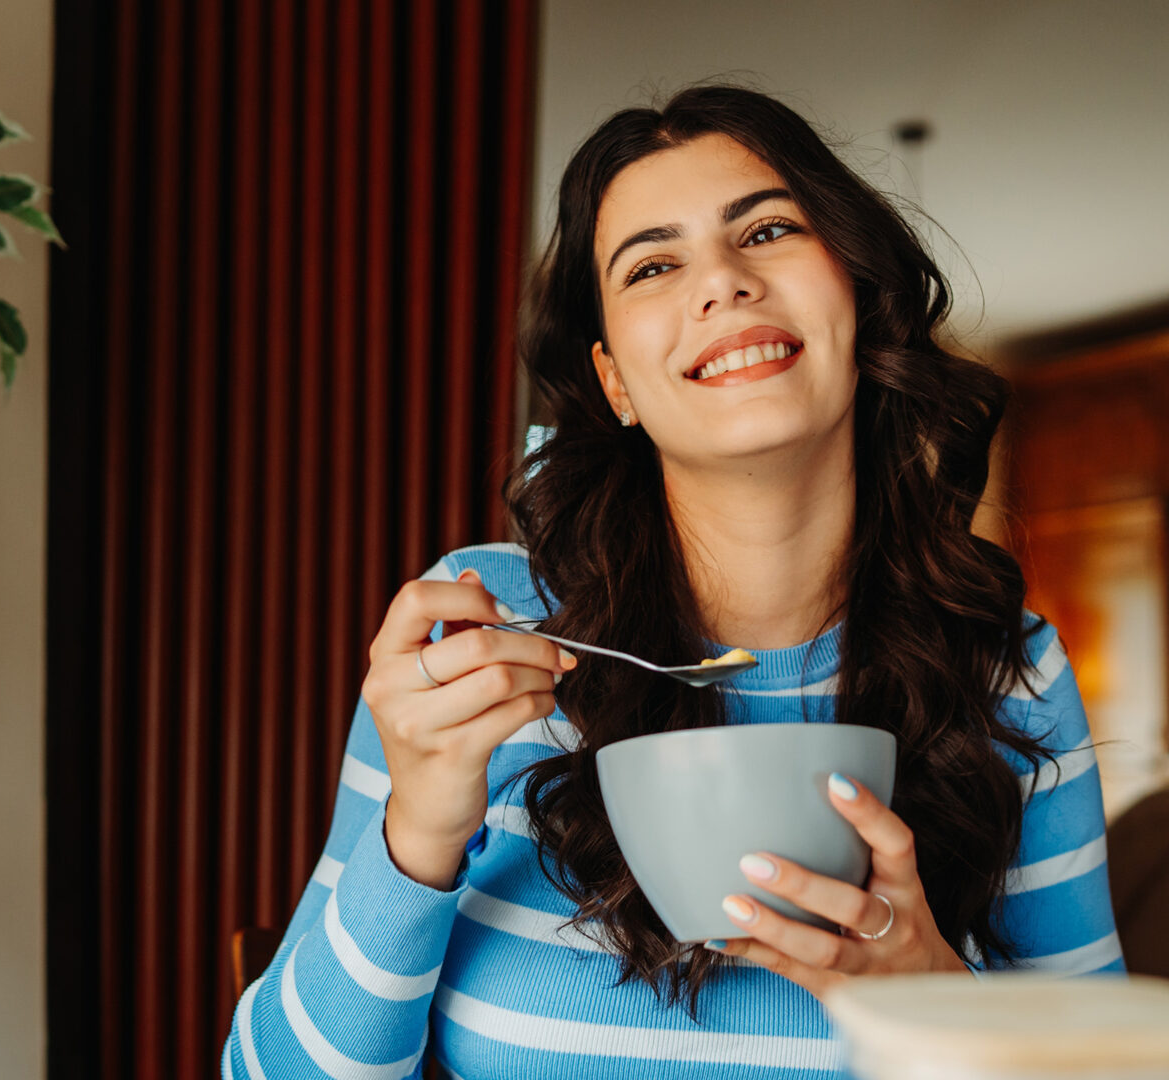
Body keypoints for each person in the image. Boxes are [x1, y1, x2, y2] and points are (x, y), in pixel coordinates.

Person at [223, 84, 1121, 1080]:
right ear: (615, 382)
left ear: (860, 304)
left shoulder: (1008, 664)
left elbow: (1122, 1063)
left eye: (768, 230)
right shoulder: (480, 635)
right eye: (653, 264)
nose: (723, 283)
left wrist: (940, 1006)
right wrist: (418, 829)